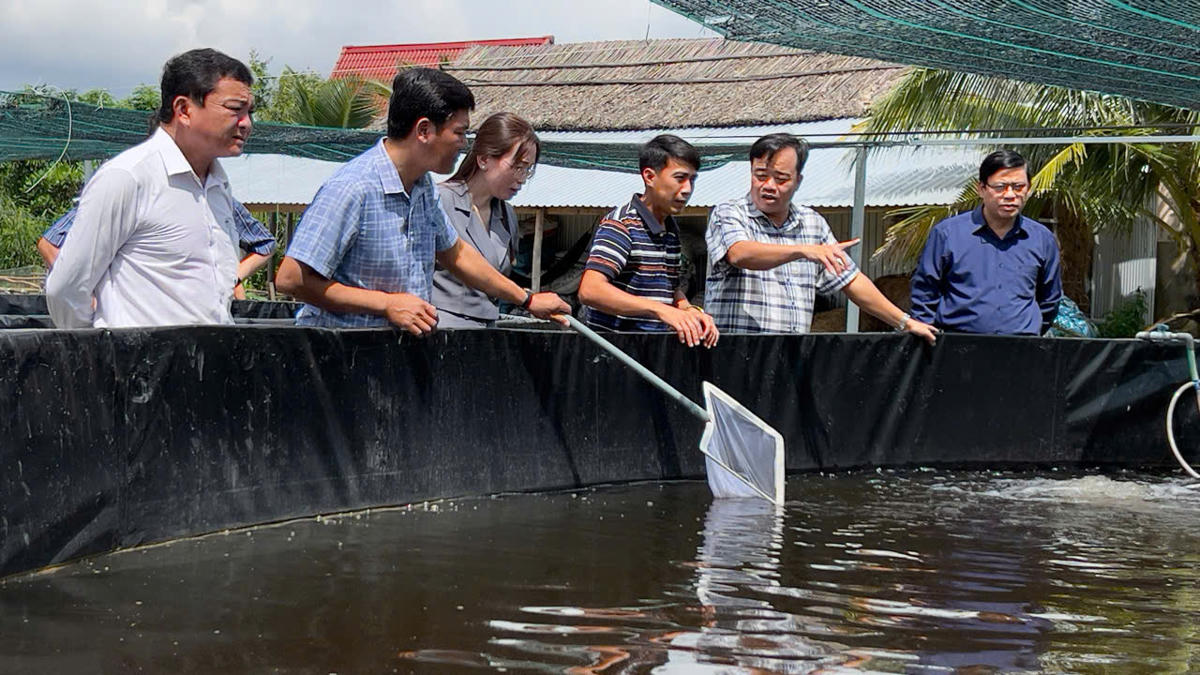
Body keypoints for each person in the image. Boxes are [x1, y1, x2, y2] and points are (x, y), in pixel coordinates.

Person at [275, 68, 568, 332]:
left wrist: (527, 300)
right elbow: (290, 280)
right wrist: (385, 304)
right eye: (459, 132)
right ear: (424, 130)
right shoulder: (353, 188)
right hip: (339, 363)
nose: (464, 143)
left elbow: (456, 254)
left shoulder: (423, 187)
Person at [45, 48, 254, 328]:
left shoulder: (219, 186)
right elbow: (65, 290)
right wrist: (108, 358)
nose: (246, 124)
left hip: (212, 366)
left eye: (249, 112)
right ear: (184, 109)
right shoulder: (128, 177)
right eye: (234, 110)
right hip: (136, 369)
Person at [704, 133, 937, 344]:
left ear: (798, 181)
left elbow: (850, 280)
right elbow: (740, 253)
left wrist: (905, 322)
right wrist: (803, 250)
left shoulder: (812, 223)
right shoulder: (729, 212)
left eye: (781, 178)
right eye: (760, 176)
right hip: (734, 354)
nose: (768, 186)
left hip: (789, 357)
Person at [577, 135, 718, 348]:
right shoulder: (622, 224)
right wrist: (661, 310)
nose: (688, 189)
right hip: (614, 353)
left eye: (692, 180)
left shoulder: (670, 229)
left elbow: (669, 288)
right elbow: (590, 290)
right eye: (679, 178)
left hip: (650, 353)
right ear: (650, 177)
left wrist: (689, 311)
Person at [910, 150, 1062, 335]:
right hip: (957, 348)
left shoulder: (1042, 239)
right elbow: (925, 291)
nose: (1010, 195)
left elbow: (1050, 299)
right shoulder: (947, 234)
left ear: (1028, 189)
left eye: (1018, 187)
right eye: (1000, 187)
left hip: (1021, 350)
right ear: (981, 188)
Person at [39, 200, 275, 299]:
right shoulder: (128, 188)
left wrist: (232, 277)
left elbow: (265, 244)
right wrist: (85, 293)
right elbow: (50, 243)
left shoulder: (218, 197)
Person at [431, 112, 537, 328]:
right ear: (483, 159)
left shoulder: (507, 215)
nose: (521, 178)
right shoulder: (439, 200)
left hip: (487, 336)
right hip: (439, 331)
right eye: (517, 166)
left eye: (528, 170)